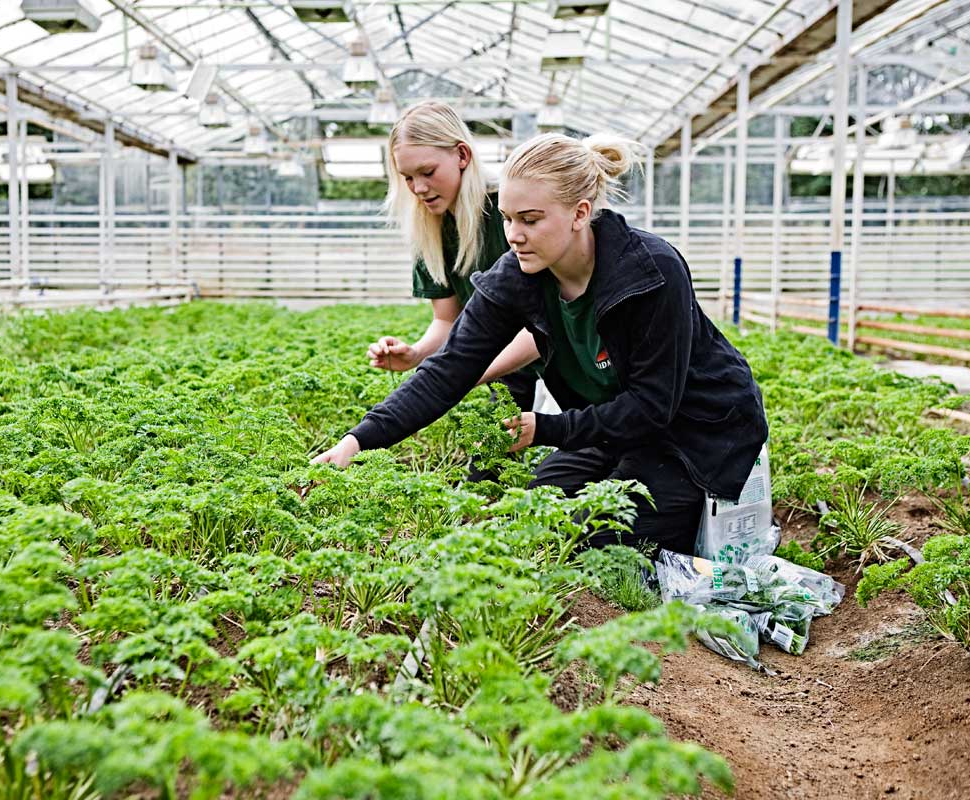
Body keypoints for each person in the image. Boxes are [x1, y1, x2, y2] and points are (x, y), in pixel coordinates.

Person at [314, 132, 768, 556]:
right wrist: (357, 441)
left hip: (696, 435)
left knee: (595, 533)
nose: (513, 235)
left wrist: (548, 429)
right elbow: (449, 370)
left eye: (530, 220)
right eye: (509, 218)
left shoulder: (650, 272)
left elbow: (653, 406)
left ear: (580, 213)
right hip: (614, 430)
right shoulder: (519, 274)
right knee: (532, 512)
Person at [369, 100, 540, 410]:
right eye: (407, 177)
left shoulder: (510, 211)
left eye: (428, 172)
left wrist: (461, 374)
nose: (419, 188)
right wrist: (416, 354)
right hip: (505, 377)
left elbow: (544, 327)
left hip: (561, 369)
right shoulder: (430, 229)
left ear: (462, 155)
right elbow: (447, 320)